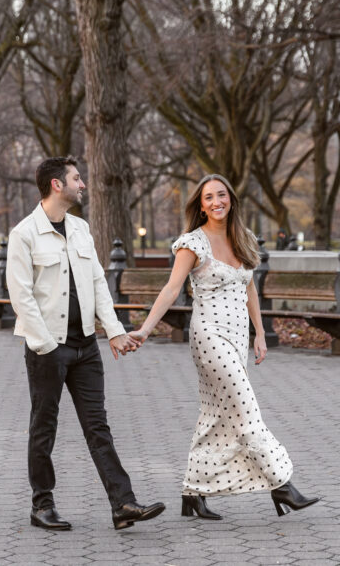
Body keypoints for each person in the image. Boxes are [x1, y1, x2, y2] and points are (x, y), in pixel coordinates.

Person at [128, 174, 318, 521]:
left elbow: (250, 290)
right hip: (209, 336)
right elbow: (171, 289)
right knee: (246, 408)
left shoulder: (242, 238)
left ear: (231, 199)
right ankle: (282, 484)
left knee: (215, 417)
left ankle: (192, 494)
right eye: (209, 197)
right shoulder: (192, 243)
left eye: (222, 195)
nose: (217, 201)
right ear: (200, 205)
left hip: (238, 337)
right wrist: (145, 328)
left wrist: (260, 333)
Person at [6, 156, 165, 531]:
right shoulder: (24, 234)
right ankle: (41, 505)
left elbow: (97, 284)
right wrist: (45, 345)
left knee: (98, 427)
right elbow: (21, 296)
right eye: (77, 178)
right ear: (57, 185)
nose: (83, 184)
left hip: (86, 348)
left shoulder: (80, 229)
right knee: (44, 427)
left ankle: (123, 504)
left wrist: (113, 331)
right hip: (48, 350)